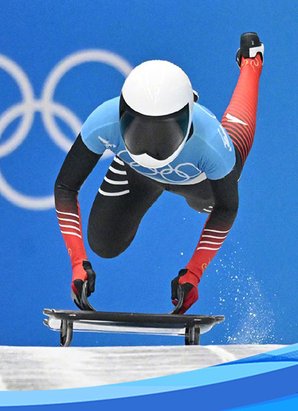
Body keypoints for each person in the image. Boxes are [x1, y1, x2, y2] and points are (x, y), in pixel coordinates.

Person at [54, 32, 264, 314]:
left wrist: (194, 273)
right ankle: (140, 157)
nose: (151, 147)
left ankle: (251, 63)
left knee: (232, 154)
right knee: (104, 244)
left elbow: (226, 208)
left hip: (200, 184)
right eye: (138, 128)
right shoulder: (103, 121)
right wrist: (78, 262)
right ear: (122, 112)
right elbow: (65, 188)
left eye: (164, 132)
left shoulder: (212, 145)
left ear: (188, 118)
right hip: (137, 173)